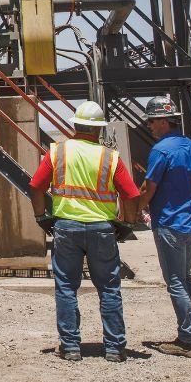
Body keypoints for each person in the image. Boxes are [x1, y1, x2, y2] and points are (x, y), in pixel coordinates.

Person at [30, 100, 142, 363]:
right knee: (109, 288)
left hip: (66, 228)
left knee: (67, 287)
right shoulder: (109, 157)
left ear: (75, 126)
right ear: (99, 130)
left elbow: (35, 186)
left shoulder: (57, 153)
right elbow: (132, 194)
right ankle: (114, 348)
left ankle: (70, 347)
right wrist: (127, 224)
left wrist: (40, 217)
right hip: (102, 230)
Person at [135, 94, 191, 359]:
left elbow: (149, 187)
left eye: (151, 122)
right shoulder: (190, 146)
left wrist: (137, 207)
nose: (149, 126)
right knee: (186, 278)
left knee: (176, 282)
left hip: (169, 222)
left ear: (163, 121)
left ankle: (188, 340)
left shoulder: (161, 150)